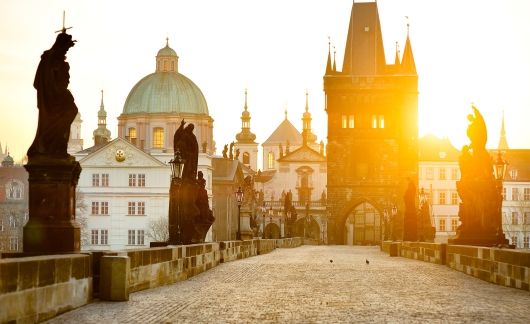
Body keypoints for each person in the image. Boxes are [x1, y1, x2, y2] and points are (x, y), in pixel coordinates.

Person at [28, 32, 78, 160]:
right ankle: (50, 143)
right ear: (60, 45)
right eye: (65, 48)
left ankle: (57, 144)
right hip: (51, 98)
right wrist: (56, 91)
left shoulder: (57, 59)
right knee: (70, 111)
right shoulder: (49, 58)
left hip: (58, 95)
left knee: (71, 111)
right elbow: (40, 81)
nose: (66, 51)